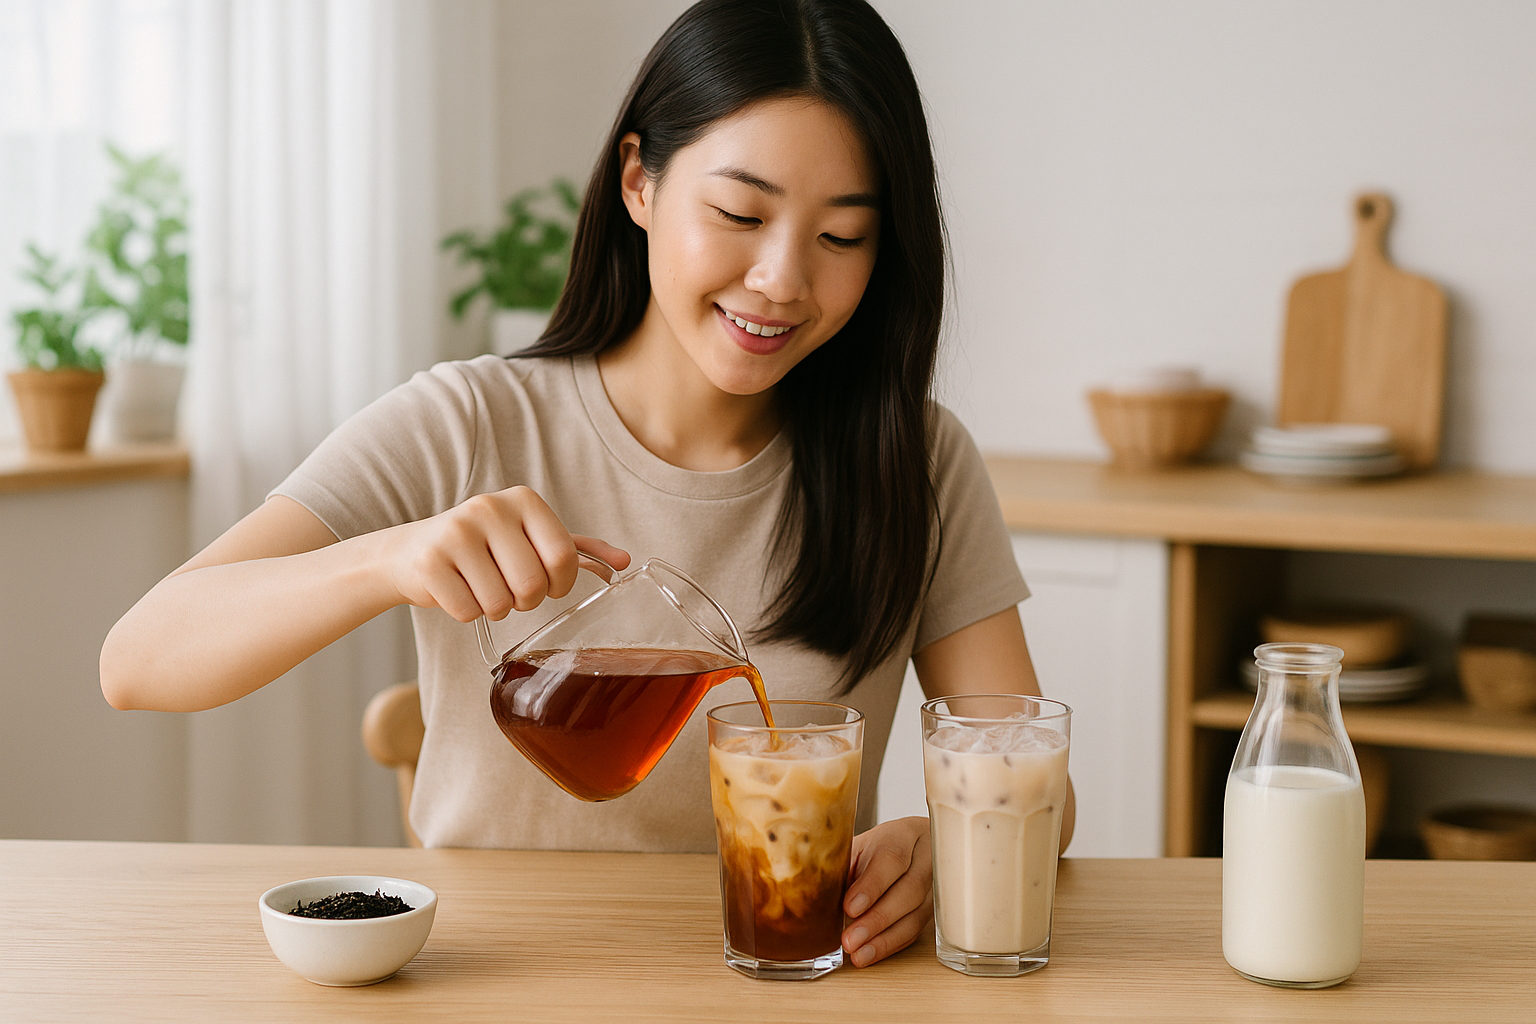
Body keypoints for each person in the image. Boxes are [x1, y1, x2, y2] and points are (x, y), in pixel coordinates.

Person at [100, 0, 1073, 968]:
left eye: (843, 237)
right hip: (493, 976)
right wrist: (388, 558)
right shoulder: (468, 423)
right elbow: (139, 659)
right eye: (740, 213)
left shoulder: (915, 461)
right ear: (638, 181)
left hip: (781, 980)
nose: (782, 277)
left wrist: (944, 843)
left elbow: (1039, 785)